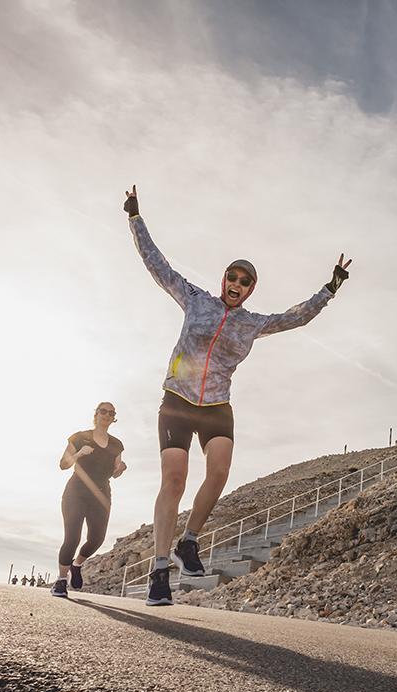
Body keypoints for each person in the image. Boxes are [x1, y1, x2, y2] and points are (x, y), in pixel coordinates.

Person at [124, 185, 352, 606]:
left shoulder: (251, 323)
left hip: (216, 406)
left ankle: (188, 542)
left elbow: (294, 318)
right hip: (177, 400)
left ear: (250, 290)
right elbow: (158, 265)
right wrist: (135, 218)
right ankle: (159, 569)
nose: (237, 284)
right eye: (233, 276)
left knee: (220, 472)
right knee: (174, 479)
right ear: (223, 279)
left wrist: (330, 288)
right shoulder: (195, 299)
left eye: (245, 282)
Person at [52, 401, 127, 599]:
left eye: (111, 413)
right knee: (72, 537)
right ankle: (60, 581)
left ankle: (76, 565)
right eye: (103, 411)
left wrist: (120, 469)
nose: (107, 415)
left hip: (101, 494)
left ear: (113, 418)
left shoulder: (116, 444)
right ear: (96, 414)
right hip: (76, 491)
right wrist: (78, 453)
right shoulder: (79, 437)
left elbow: (115, 471)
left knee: (96, 539)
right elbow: (63, 464)